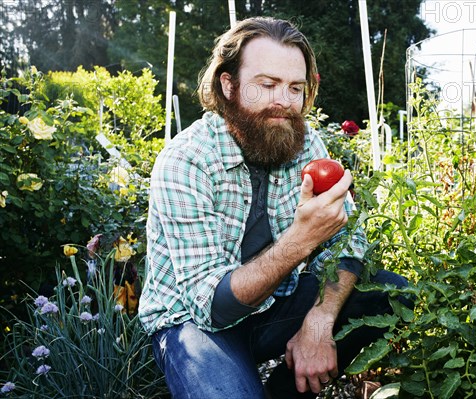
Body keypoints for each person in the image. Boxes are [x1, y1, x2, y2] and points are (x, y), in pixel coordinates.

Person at [138, 16, 412, 399]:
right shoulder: (186, 160)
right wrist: (300, 240)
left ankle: (287, 389)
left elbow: (349, 243)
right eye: (266, 85)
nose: (283, 102)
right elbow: (211, 308)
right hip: (193, 324)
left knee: (394, 294)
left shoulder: (306, 145)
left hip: (273, 307)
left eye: (295, 88)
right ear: (228, 85)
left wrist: (320, 318)